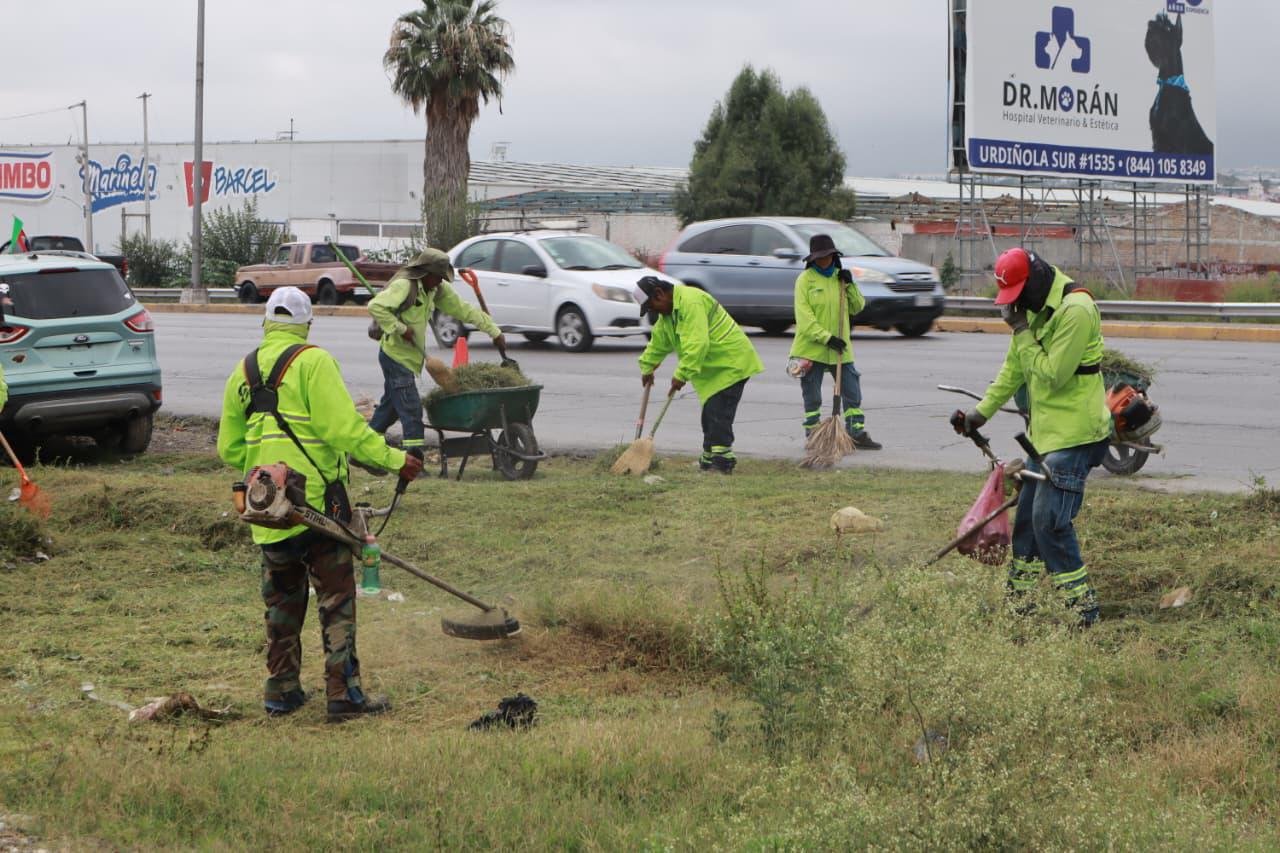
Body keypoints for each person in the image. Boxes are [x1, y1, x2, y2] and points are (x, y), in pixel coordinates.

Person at [217, 287, 424, 720]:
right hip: (317, 510)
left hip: (267, 508)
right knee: (335, 602)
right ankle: (344, 696)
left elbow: (229, 449)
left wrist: (264, 467)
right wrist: (394, 459)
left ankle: (281, 692)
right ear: (306, 325)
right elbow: (344, 430)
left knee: (281, 604)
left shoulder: (242, 371)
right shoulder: (314, 362)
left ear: (267, 324)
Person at [956, 247, 1111, 626]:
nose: (1016, 307)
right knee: (1025, 522)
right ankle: (1018, 605)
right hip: (1044, 438)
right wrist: (980, 414)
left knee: (1049, 523)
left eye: (1019, 297)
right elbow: (1015, 370)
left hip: (1077, 436)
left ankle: (1083, 613)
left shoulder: (1075, 310)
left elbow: (1052, 375)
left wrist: (1023, 331)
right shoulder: (1035, 308)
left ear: (1038, 280)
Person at [366, 248, 505, 456]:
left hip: (411, 358)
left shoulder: (437, 290)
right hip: (395, 357)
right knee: (412, 410)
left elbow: (463, 309)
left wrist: (493, 331)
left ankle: (362, 451)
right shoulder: (405, 286)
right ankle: (414, 460)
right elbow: (376, 306)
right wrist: (401, 329)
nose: (441, 282)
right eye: (438, 277)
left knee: (390, 409)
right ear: (425, 274)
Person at [634, 276, 763, 473]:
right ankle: (708, 459)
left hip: (731, 363)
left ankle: (722, 462)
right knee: (709, 415)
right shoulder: (668, 315)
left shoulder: (690, 302)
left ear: (659, 294)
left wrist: (681, 374)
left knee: (718, 414)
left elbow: (698, 343)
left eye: (651, 306)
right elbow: (659, 341)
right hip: (712, 369)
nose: (653, 312)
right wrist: (647, 366)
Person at [789, 234, 882, 450]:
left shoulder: (840, 279)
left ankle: (855, 433)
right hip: (811, 349)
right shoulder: (805, 281)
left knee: (852, 391)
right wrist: (827, 338)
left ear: (834, 256)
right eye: (820, 257)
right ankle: (814, 434)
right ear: (812, 259)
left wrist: (850, 285)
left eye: (828, 256)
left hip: (840, 348)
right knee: (812, 396)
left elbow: (857, 307)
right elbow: (804, 319)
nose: (824, 260)